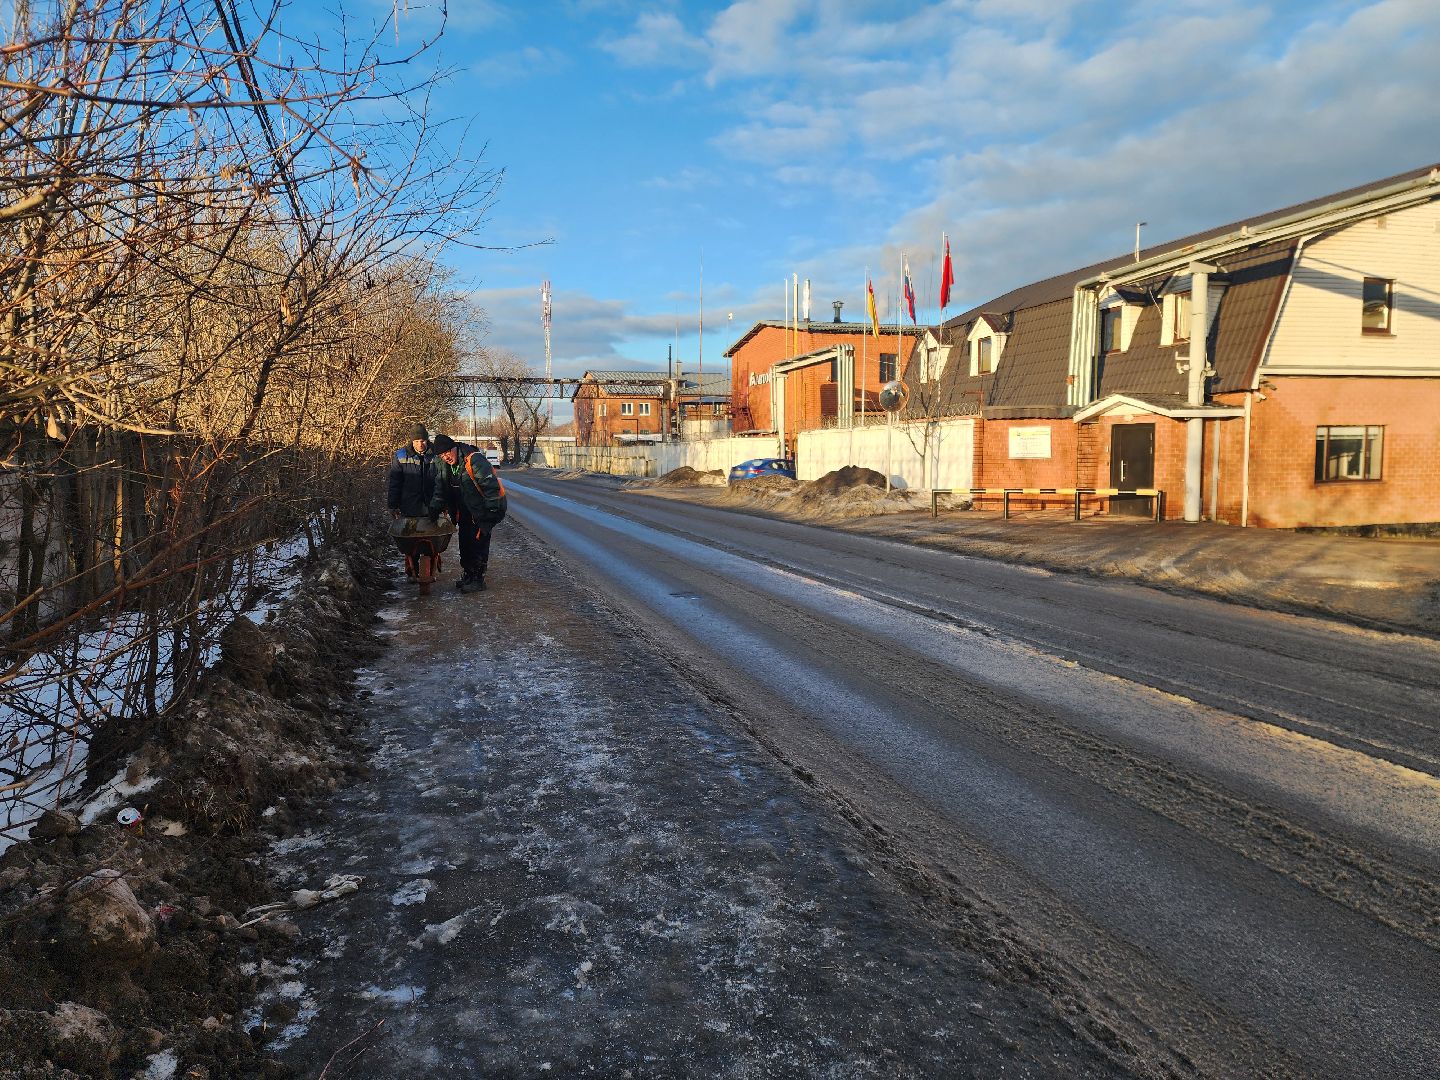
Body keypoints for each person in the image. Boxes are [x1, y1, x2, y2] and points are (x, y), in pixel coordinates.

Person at [429, 433, 508, 593]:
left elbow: (490, 486)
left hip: (482, 512)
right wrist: (435, 507)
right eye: (441, 455)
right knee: (465, 544)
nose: (445, 457)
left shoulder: (474, 460)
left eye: (447, 453)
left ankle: (478, 579)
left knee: (478, 545)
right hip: (463, 512)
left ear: (454, 448)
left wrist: (490, 513)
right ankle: (468, 575)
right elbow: (440, 489)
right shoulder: (443, 465)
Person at [387, 424, 436, 519]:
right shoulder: (400, 456)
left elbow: (443, 481)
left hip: (433, 506)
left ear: (427, 440)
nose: (420, 444)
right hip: (409, 507)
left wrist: (446, 504)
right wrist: (393, 505)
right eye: (416, 441)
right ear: (412, 441)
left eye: (422, 441)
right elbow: (395, 483)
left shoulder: (437, 454)